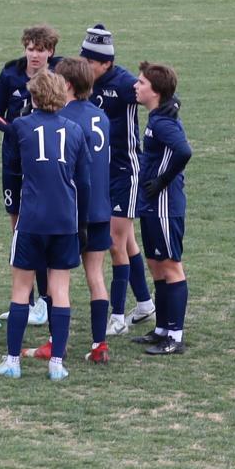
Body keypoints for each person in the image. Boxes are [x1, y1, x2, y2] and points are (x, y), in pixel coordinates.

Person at [0, 71, 81, 381]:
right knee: (60, 290)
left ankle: (13, 361)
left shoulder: (20, 127)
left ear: (34, 96)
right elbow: (81, 178)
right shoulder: (76, 130)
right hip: (66, 219)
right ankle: (57, 362)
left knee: (21, 289)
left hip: (32, 219)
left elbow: (13, 170)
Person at [77, 22, 153, 335]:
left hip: (124, 170)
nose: (85, 66)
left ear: (106, 63)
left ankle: (118, 317)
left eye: (90, 62)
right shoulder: (82, 80)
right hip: (99, 172)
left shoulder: (123, 83)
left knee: (114, 242)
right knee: (127, 242)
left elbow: (156, 95)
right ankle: (146, 303)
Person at [0, 24, 61, 326]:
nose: (34, 55)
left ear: (50, 52)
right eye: (30, 48)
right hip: (14, 162)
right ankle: (26, 300)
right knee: (19, 230)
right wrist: (17, 128)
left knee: (40, 230)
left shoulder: (59, 74)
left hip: (44, 165)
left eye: (40, 49)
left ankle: (45, 300)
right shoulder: (10, 74)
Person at [132, 62, 194, 355]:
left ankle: (176, 337)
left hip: (164, 205)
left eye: (141, 82)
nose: (136, 85)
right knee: (156, 265)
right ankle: (161, 329)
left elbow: (184, 151)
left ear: (155, 92)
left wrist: (161, 181)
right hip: (151, 204)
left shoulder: (163, 123)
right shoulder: (158, 115)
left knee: (171, 267)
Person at [55, 58, 114, 364]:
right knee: (96, 276)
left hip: (71, 210)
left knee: (58, 279)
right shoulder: (102, 117)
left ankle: (56, 344)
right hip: (101, 210)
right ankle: (99, 344)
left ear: (66, 85)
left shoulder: (62, 119)